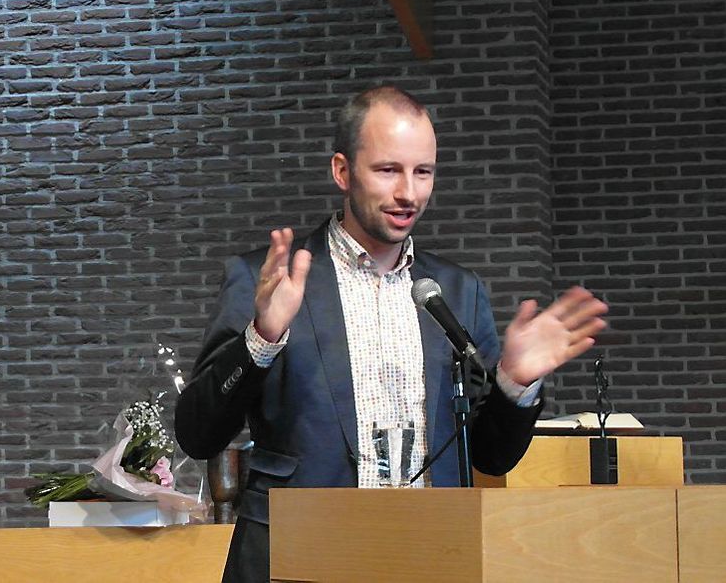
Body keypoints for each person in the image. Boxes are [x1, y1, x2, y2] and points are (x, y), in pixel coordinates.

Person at [174, 85, 608, 582]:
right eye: (388, 170)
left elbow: (491, 455)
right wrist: (262, 337)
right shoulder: (267, 280)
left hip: (430, 555)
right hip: (296, 557)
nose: (409, 193)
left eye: (423, 172)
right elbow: (198, 434)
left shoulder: (456, 291)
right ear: (343, 171)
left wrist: (514, 382)